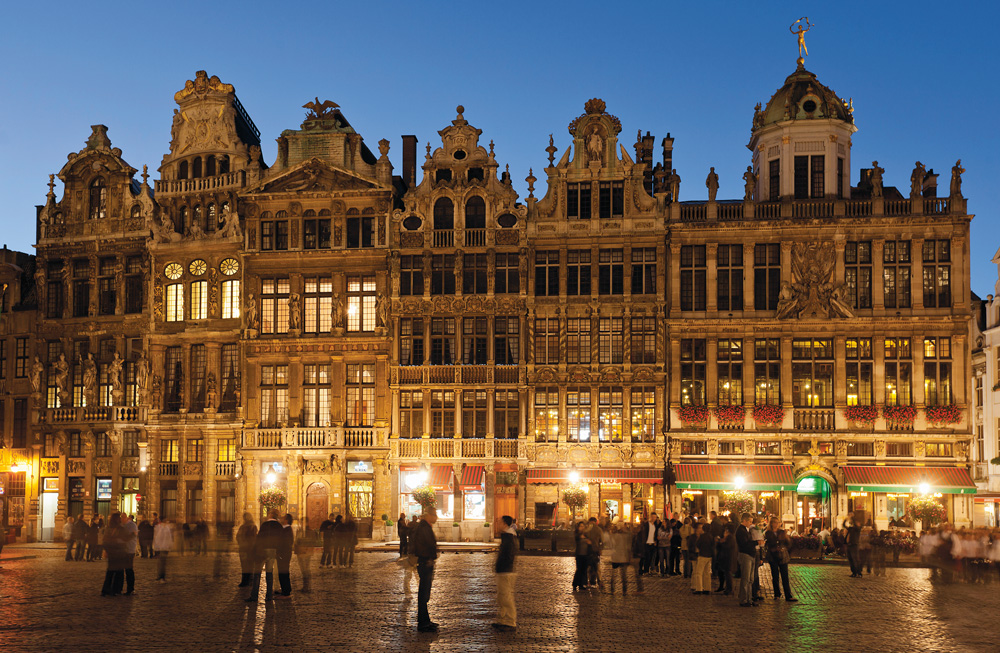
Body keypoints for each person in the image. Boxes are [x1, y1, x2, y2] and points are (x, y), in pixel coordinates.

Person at [411, 507, 439, 632]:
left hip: (425, 561)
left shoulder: (424, 526)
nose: (436, 518)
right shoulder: (423, 528)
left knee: (425, 593)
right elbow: (427, 544)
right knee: (423, 593)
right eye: (434, 515)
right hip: (425, 561)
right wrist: (429, 557)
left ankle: (426, 620)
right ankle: (422, 623)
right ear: (428, 515)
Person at [247, 509, 283, 602]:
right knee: (269, 573)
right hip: (272, 551)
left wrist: (255, 550)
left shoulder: (265, 525)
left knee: (257, 573)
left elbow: (259, 538)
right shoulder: (279, 526)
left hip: (262, 550)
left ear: (270, 515)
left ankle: (254, 596)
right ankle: (269, 596)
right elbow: (281, 540)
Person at [492, 515, 517, 632]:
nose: (499, 524)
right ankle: (503, 620)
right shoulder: (506, 537)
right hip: (503, 570)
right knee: (501, 597)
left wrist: (502, 566)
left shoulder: (509, 537)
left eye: (500, 522)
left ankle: (510, 621)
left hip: (506, 571)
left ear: (505, 524)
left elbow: (508, 555)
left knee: (506, 597)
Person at [765, 517, 797, 602]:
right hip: (773, 556)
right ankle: (777, 594)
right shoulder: (768, 533)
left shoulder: (782, 532)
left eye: (777, 522)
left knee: (785, 576)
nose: (775, 524)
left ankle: (788, 595)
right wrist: (775, 547)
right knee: (775, 576)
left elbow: (788, 543)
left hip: (782, 556)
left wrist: (784, 548)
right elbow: (769, 543)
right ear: (771, 524)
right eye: (774, 523)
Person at [609, 522, 643, 595]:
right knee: (623, 575)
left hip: (617, 557)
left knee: (616, 575)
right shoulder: (628, 535)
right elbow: (628, 546)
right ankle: (624, 591)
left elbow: (612, 544)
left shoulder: (615, 535)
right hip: (623, 557)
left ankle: (613, 590)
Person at [100, 513, 128, 597]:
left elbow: (104, 541)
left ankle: (106, 590)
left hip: (111, 552)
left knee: (110, 571)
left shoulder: (108, 528)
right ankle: (116, 589)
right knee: (119, 572)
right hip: (119, 552)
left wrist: (107, 551)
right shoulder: (120, 528)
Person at [735, 513, 758, 607]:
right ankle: (744, 599)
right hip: (745, 555)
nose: (751, 523)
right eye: (750, 521)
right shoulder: (740, 530)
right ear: (744, 521)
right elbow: (744, 544)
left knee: (750, 579)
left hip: (751, 555)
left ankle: (749, 598)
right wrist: (756, 542)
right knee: (745, 578)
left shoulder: (746, 530)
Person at [236, 513, 258, 587]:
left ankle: (245, 581)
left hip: (244, 548)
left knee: (244, 565)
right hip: (250, 549)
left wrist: (241, 543)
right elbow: (255, 538)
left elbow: (238, 537)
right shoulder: (253, 527)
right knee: (250, 565)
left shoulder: (243, 527)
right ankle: (250, 580)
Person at [692, 522, 714, 595]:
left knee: (699, 572)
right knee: (707, 572)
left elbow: (697, 544)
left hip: (702, 555)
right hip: (709, 555)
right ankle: (707, 588)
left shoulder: (702, 536)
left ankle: (699, 588)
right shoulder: (711, 536)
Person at [292, 514, 313, 593]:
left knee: (305, 569)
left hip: (305, 552)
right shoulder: (300, 530)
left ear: (306, 523)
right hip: (300, 552)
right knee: (303, 569)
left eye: (302, 522)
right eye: (300, 522)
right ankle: (306, 586)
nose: (300, 524)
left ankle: (307, 586)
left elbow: (310, 542)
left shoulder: (308, 531)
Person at [275, 514, 294, 598]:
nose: (281, 518)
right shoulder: (285, 529)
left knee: (284, 572)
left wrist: (280, 552)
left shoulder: (287, 529)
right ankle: (285, 589)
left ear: (286, 520)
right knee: (282, 572)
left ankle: (286, 591)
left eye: (283, 518)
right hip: (283, 553)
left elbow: (285, 543)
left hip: (284, 554)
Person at [119, 513, 139, 595]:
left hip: (129, 550)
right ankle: (121, 589)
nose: (122, 519)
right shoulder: (122, 525)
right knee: (121, 570)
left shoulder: (131, 525)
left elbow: (132, 535)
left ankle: (130, 589)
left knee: (128, 570)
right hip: (123, 550)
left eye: (123, 517)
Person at [715, 522, 736, 595]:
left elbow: (726, 546)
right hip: (727, 557)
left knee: (728, 573)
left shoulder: (730, 537)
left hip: (728, 557)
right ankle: (727, 588)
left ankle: (729, 589)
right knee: (726, 573)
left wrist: (720, 542)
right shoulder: (729, 537)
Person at [586, 517, 604, 590]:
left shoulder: (586, 529)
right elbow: (602, 541)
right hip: (596, 550)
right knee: (597, 567)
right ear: (596, 522)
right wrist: (600, 549)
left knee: (588, 567)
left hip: (587, 550)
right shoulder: (599, 529)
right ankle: (599, 581)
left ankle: (588, 582)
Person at [572, 522, 590, 591]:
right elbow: (577, 539)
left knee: (584, 570)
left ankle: (581, 584)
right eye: (581, 526)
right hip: (579, 554)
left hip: (586, 554)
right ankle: (575, 584)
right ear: (578, 527)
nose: (582, 527)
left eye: (583, 526)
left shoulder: (586, 534)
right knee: (579, 570)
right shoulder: (577, 534)